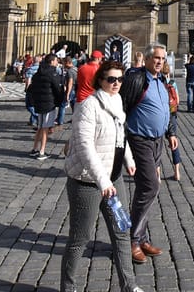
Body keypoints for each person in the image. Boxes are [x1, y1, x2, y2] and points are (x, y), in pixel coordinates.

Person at [60, 60, 144, 292]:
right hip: (87, 182)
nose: (116, 83)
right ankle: (68, 287)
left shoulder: (117, 101)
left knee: (122, 231)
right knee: (80, 239)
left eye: (120, 79)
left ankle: (130, 285)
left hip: (113, 179)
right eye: (111, 79)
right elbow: (85, 147)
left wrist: (128, 159)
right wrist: (103, 181)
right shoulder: (88, 106)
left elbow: (119, 134)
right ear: (100, 80)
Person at [121, 43, 177, 264]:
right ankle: (132, 240)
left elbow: (168, 108)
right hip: (140, 140)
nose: (160, 61)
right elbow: (122, 107)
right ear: (146, 59)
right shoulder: (137, 79)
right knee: (150, 186)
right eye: (156, 58)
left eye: (162, 58)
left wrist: (171, 132)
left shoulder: (160, 81)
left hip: (157, 142)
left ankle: (140, 237)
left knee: (148, 188)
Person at [29, 53, 63, 160]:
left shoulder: (38, 73)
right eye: (56, 60)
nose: (57, 62)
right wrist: (60, 101)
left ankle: (35, 149)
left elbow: (32, 87)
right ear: (52, 61)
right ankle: (42, 151)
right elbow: (57, 89)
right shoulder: (53, 73)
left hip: (39, 102)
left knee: (40, 127)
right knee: (45, 128)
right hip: (49, 103)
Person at [163, 63, 182, 181]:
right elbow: (178, 101)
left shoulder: (159, 83)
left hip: (161, 116)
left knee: (157, 144)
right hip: (172, 115)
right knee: (174, 143)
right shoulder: (173, 83)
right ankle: (177, 172)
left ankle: (157, 174)